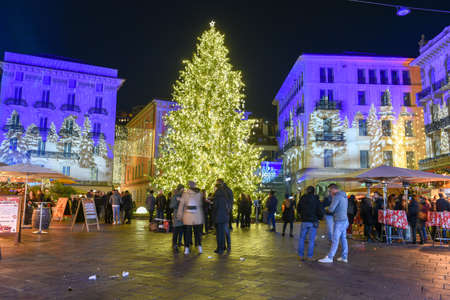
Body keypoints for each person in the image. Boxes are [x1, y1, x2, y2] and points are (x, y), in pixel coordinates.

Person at [319, 184, 349, 264]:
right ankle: (344, 257)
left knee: (335, 239)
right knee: (343, 238)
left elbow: (331, 209)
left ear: (333, 189)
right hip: (345, 220)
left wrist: (326, 208)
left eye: (329, 191)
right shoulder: (344, 195)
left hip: (339, 221)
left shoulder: (337, 196)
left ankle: (330, 257)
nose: (329, 192)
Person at [177, 181, 204, 255]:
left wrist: (179, 215)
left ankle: (187, 248)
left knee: (187, 233)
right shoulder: (199, 194)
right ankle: (199, 247)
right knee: (197, 233)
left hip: (188, 216)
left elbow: (181, 205)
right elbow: (200, 205)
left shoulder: (185, 194)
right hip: (196, 216)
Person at [298, 186, 323, 260]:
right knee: (311, 240)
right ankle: (310, 256)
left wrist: (301, 214)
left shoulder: (302, 198)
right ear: (314, 191)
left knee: (302, 239)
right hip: (313, 221)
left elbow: (298, 208)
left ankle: (300, 255)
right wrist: (319, 217)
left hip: (304, 220)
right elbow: (320, 210)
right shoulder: (316, 199)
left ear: (307, 191)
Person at [211, 182, 230, 254]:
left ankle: (220, 248)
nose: (213, 189)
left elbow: (215, 207)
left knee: (219, 233)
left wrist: (212, 204)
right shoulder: (224, 195)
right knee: (222, 233)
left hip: (218, 217)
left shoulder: (217, 196)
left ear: (217, 188)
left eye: (214, 188)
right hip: (224, 216)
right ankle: (222, 247)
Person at [217, 178, 233, 251]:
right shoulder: (225, 190)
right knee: (223, 230)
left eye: (218, 183)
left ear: (221, 183)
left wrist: (228, 209)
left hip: (224, 212)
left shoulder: (226, 190)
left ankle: (228, 245)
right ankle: (225, 246)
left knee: (225, 230)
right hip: (223, 212)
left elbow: (231, 201)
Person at [170, 184, 185, 253]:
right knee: (176, 230)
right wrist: (178, 201)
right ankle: (174, 244)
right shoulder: (175, 196)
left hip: (182, 216)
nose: (183, 190)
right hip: (177, 215)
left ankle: (179, 242)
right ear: (179, 189)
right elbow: (172, 206)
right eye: (182, 189)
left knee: (181, 230)